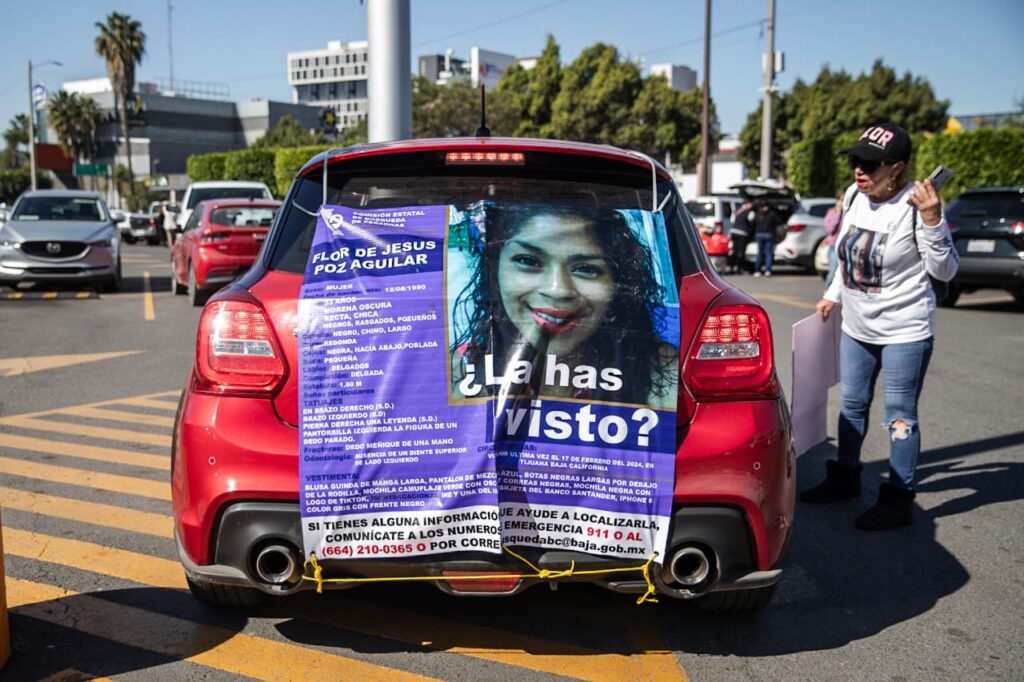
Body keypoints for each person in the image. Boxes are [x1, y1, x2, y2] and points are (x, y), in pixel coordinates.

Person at [801, 122, 959, 530]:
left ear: (897, 168)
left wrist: (932, 219)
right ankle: (846, 478)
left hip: (905, 329)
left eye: (870, 164)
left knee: (900, 415)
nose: (859, 170)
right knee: (851, 404)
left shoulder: (913, 206)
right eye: (856, 160)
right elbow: (846, 254)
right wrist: (833, 294)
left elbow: (945, 269)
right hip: (857, 326)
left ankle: (899, 498)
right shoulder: (855, 196)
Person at [450, 204, 678, 408]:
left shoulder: (658, 369)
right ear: (495, 270)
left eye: (586, 269)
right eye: (528, 261)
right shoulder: (459, 369)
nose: (557, 290)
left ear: (617, 284)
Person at [753, 201, 782, 277]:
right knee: (768, 253)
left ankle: (757, 270)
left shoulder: (758, 213)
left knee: (760, 253)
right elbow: (779, 222)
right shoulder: (772, 214)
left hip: (759, 234)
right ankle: (768, 270)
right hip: (769, 234)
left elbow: (753, 223)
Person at [823, 190, 844, 286]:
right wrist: (838, 214)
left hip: (845, 247)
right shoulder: (832, 212)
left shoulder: (850, 213)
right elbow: (830, 229)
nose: (843, 202)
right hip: (834, 247)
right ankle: (827, 293)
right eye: (841, 200)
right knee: (833, 272)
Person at [727, 200, 754, 274]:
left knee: (734, 250)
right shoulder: (750, 213)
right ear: (747, 204)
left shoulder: (737, 210)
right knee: (741, 252)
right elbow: (751, 223)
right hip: (742, 233)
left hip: (733, 232)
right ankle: (739, 268)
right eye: (751, 204)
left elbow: (732, 220)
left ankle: (731, 267)